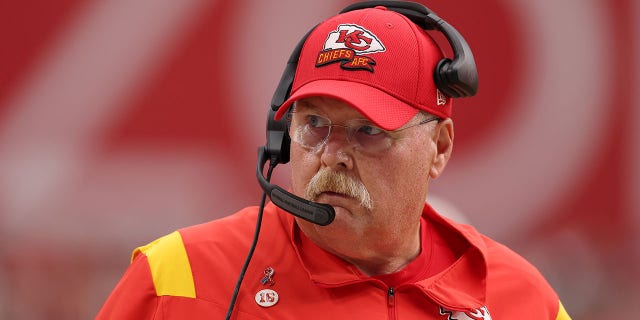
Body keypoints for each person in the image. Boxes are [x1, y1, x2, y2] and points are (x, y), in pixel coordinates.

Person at [97, 2, 572, 319]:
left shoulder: (525, 302)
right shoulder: (179, 278)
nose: (333, 155)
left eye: (370, 131)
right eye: (314, 125)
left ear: (440, 147)